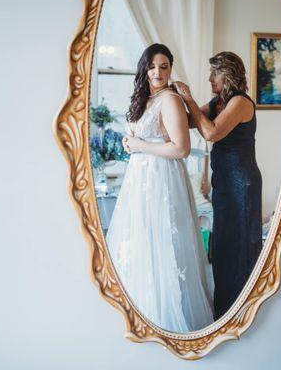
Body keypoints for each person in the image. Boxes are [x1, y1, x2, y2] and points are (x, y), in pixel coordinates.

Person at [105, 43, 213, 332]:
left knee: (165, 239)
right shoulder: (145, 99)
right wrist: (132, 144)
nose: (158, 72)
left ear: (170, 68)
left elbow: (181, 149)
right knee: (142, 238)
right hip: (139, 179)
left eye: (164, 66)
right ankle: (142, 311)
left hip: (163, 178)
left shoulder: (170, 100)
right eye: (152, 66)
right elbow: (143, 136)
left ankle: (170, 316)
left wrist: (139, 145)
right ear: (144, 68)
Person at [173, 52, 263, 320]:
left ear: (229, 74)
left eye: (215, 73)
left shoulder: (240, 103)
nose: (210, 78)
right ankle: (223, 312)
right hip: (223, 184)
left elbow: (211, 132)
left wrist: (188, 97)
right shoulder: (219, 102)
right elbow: (191, 122)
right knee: (222, 249)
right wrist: (172, 99)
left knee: (240, 249)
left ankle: (241, 313)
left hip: (242, 185)